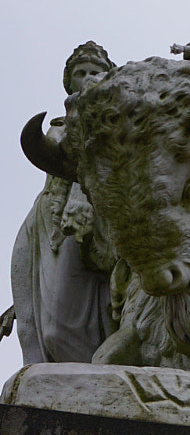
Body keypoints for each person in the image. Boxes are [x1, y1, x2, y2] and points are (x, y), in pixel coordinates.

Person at [12, 42, 116, 364]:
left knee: (60, 328)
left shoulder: (115, 127)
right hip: (43, 219)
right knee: (35, 324)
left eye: (95, 72)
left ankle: (93, 369)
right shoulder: (59, 126)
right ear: (69, 82)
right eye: (80, 73)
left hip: (85, 214)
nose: (87, 78)